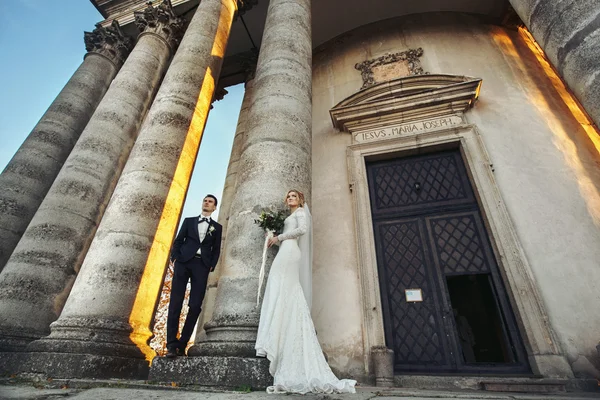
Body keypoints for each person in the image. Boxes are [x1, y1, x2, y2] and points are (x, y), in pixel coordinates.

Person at [255, 189, 356, 394]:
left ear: (300, 199)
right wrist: (272, 234)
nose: (290, 198)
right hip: (285, 251)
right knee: (279, 289)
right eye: (289, 196)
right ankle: (278, 334)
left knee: (285, 288)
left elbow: (302, 230)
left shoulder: (301, 213)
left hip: (291, 252)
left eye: (294, 196)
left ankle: (280, 335)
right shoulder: (288, 215)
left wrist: (280, 237)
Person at [166, 194, 222, 358]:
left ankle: (182, 344)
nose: (207, 203)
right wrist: (175, 257)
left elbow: (216, 248)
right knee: (175, 303)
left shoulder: (217, 227)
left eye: (210, 201)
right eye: (205, 200)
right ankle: (171, 344)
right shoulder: (189, 221)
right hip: (183, 262)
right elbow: (179, 240)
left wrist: (211, 264)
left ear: (214, 207)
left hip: (201, 265)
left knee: (195, 305)